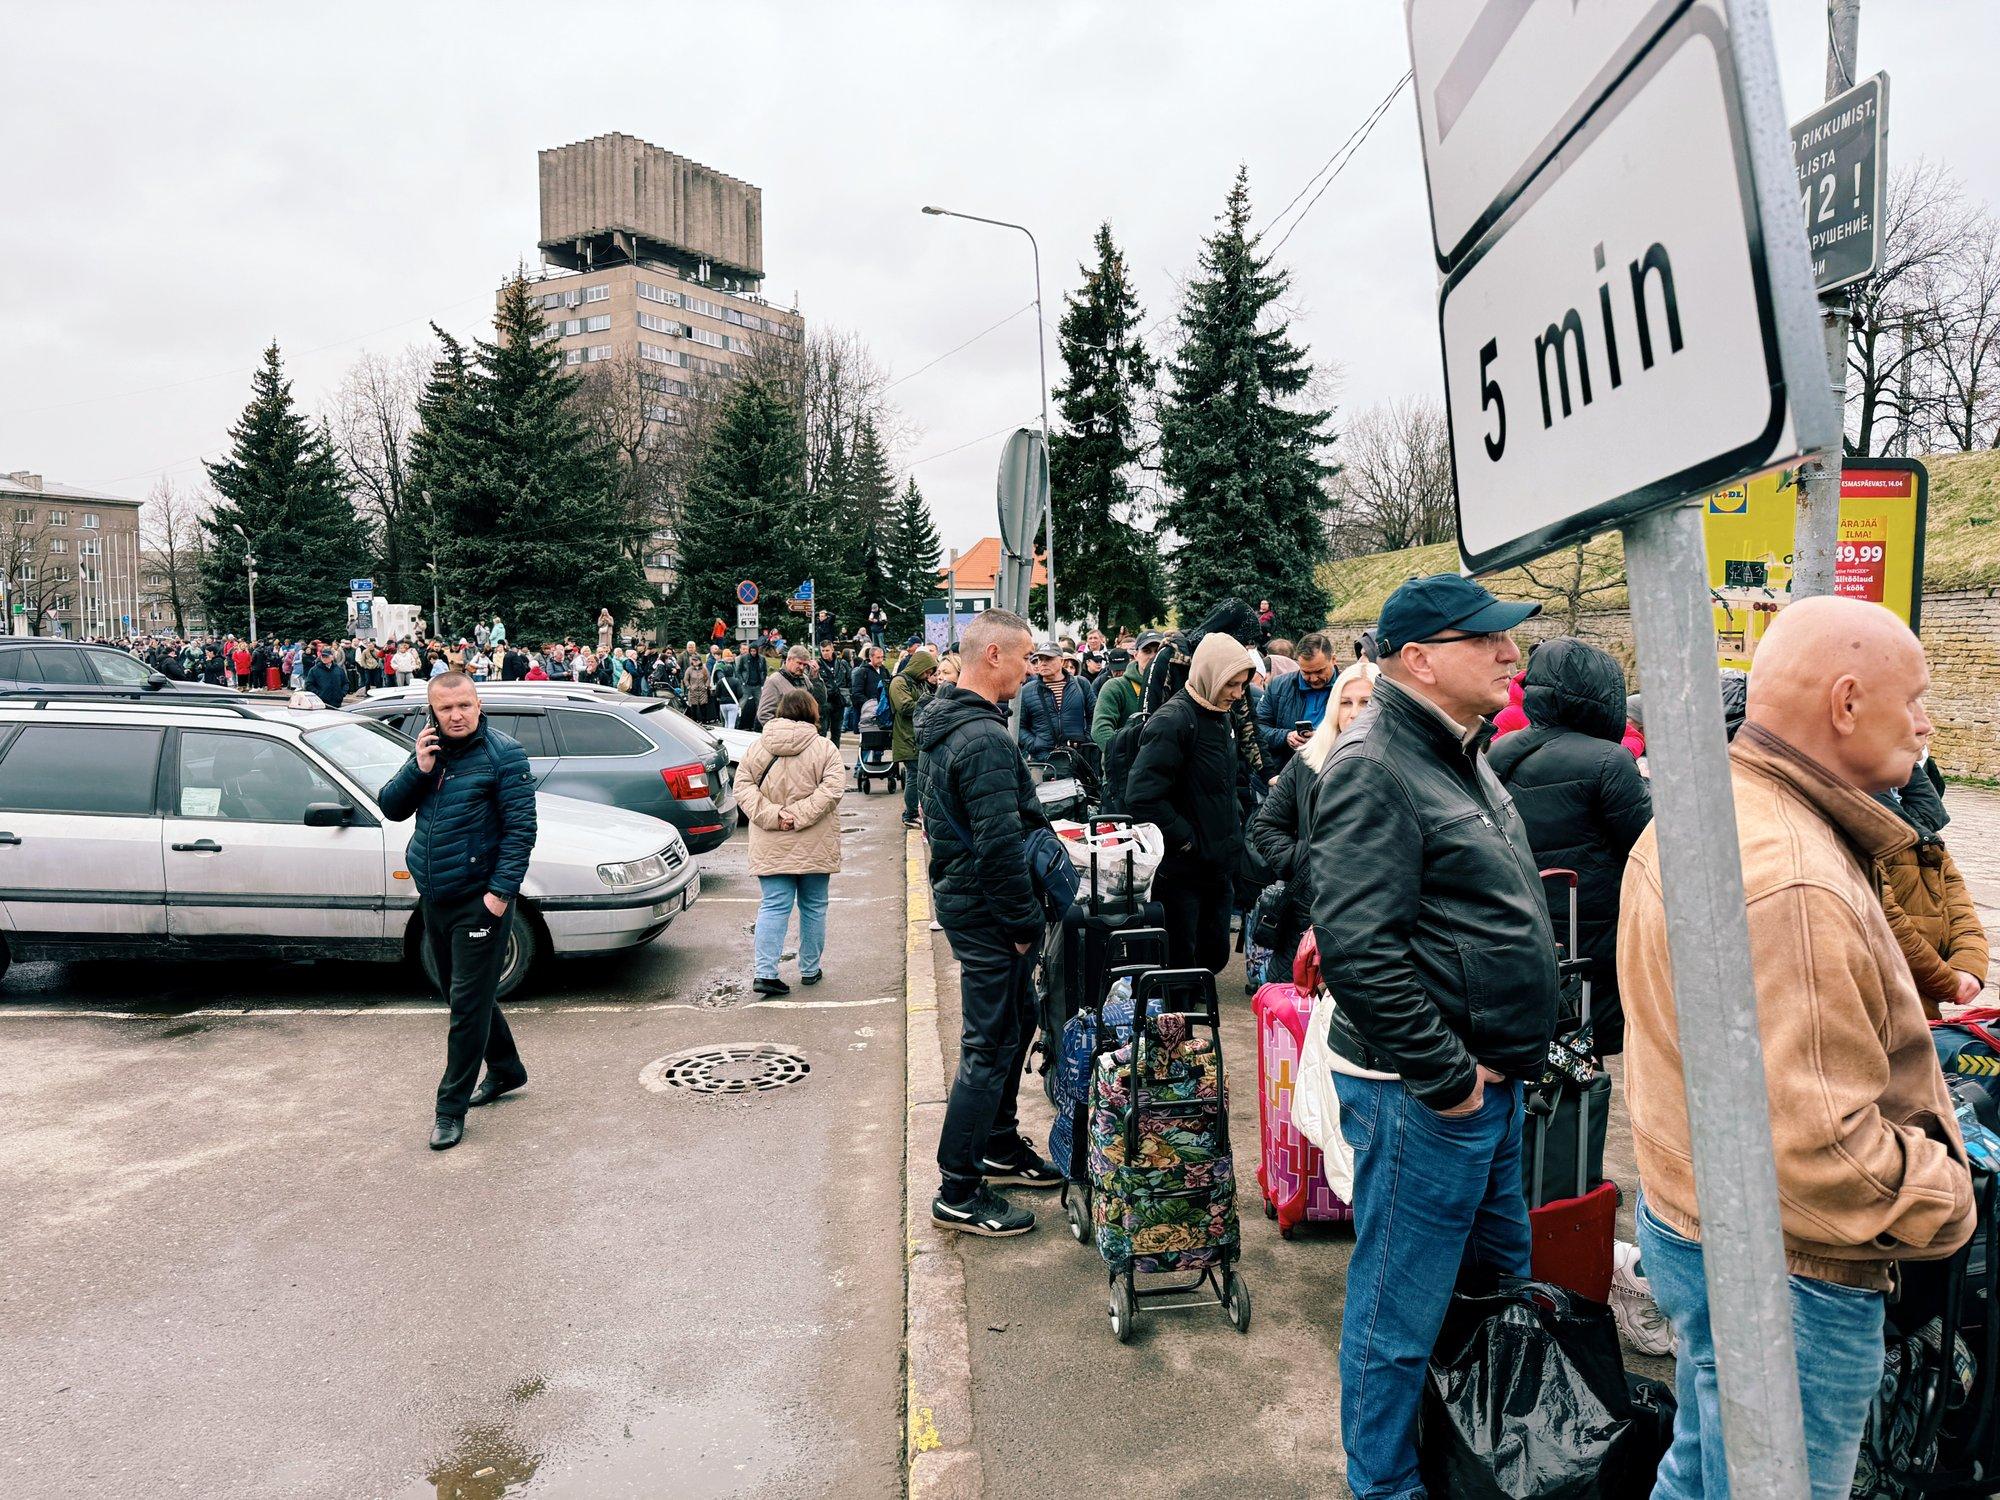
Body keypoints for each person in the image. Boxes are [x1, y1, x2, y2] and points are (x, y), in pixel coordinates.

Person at [1621, 597, 1975, 1500]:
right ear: (1847, 703)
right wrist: (1951, 1196)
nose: (1929, 721)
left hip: (1700, 1223)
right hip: (1791, 1274)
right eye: (1919, 698)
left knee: (1703, 1467)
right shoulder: (1795, 874)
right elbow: (1821, 1153)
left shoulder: (1710, 811)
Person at [1309, 573, 1557, 1500]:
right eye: (1486, 638)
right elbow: (1358, 952)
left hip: (1489, 1088)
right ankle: (1384, 1486)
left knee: (1499, 1289)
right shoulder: (1375, 764)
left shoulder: (1460, 749)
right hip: (1430, 1099)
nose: (1510, 653)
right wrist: (1450, 1078)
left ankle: (1482, 1456)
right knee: (1396, 1313)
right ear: (1420, 659)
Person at [916, 609, 1059, 1237]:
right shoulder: (983, 740)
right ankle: (958, 1189)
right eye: (1026, 657)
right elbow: (999, 847)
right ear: (994, 655)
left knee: (1016, 1022)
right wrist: (1025, 921)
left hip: (970, 903)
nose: (1031, 670)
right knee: (989, 1042)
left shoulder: (958, 727)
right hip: (988, 912)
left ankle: (998, 1144)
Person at [376, 672, 539, 1152]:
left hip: (480, 903)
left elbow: (520, 830)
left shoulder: (502, 754)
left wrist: (499, 896)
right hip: (435, 898)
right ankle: (507, 1070)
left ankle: (450, 1109)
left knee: (465, 1009)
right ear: (433, 710)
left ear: (478, 703)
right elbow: (390, 807)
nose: (456, 715)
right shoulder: (429, 751)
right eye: (446, 708)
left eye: (464, 705)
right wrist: (418, 767)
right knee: (461, 994)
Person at [1487, 638, 1652, 1056]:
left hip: (1524, 917)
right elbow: (1646, 843)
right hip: (1590, 928)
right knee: (1583, 1048)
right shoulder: (1608, 760)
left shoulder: (1502, 747)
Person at [1126, 631, 1257, 974]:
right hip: (1183, 873)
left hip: (1217, 866)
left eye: (1242, 684)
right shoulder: (1173, 721)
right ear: (1210, 675)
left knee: (1213, 957)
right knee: (1183, 966)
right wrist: (1187, 841)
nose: (1238, 693)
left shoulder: (1219, 715)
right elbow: (1142, 796)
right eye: (1232, 684)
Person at [1250, 659, 1377, 982]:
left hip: (1374, 920)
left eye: (1366, 702)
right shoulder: (1308, 760)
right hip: (1308, 915)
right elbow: (1265, 827)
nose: (1354, 712)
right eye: (1346, 702)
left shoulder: (1405, 764)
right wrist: (1306, 860)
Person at [735, 688, 846, 996]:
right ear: (812, 713)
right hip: (814, 839)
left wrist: (775, 815)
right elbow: (833, 790)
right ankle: (810, 969)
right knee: (814, 906)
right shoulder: (825, 748)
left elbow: (742, 787)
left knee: (773, 905)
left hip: (771, 839)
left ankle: (765, 973)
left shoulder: (757, 748)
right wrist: (798, 815)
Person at [1875, 758, 1990, 1019]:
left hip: (1920, 1014)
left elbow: (1958, 902)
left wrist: (1968, 963)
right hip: (1882, 1010)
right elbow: (1885, 922)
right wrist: (1948, 982)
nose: (1925, 728)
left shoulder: (1922, 831)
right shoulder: (1858, 826)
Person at [1255, 630, 1338, 775]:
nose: (1313, 679)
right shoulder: (1278, 686)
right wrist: (1285, 736)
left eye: (1319, 671)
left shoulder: (1349, 689)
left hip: (1330, 773)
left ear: (1333, 660)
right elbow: (1258, 728)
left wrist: (1324, 740)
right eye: (1305, 672)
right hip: (1285, 773)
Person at [1018, 641, 1097, 760]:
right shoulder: (1027, 690)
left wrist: (1086, 738)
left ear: (1061, 661)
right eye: (1040, 659)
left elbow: (1095, 715)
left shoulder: (1081, 684)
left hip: (1078, 758)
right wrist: (1034, 744)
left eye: (1048, 659)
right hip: (1043, 760)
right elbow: (1019, 726)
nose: (1043, 663)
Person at [890, 646, 938, 828]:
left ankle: (914, 812)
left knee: (918, 775)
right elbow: (905, 707)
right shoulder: (899, 682)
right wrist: (929, 702)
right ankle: (909, 814)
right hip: (906, 737)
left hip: (916, 735)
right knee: (913, 775)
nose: (928, 675)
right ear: (919, 666)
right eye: (927, 671)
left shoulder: (916, 682)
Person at [1090, 631, 1161, 751]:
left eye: (1158, 651)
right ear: (1136, 654)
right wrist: (1124, 756)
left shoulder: (1172, 687)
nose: (1152, 656)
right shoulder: (1115, 687)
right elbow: (1100, 729)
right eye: (1147, 651)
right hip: (1125, 765)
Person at [303, 646, 350, 711]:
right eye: (323, 657)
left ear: (332, 657)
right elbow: (308, 684)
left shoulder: (339, 669)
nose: (324, 658)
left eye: (326, 657)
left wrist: (342, 693)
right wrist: (319, 694)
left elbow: (345, 683)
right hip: (322, 702)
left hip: (337, 702)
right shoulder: (314, 670)